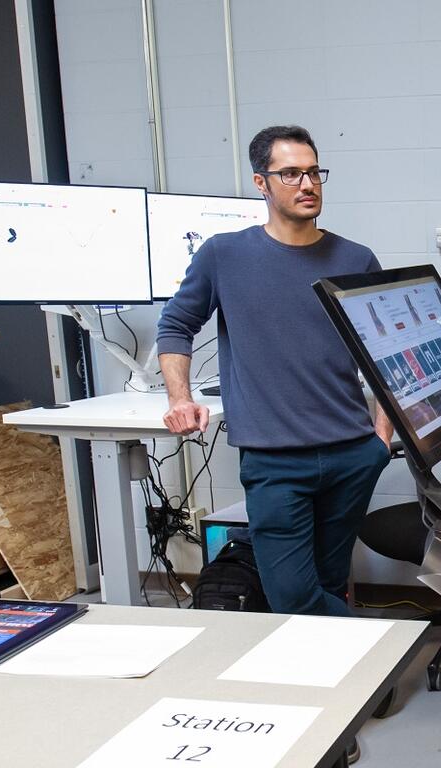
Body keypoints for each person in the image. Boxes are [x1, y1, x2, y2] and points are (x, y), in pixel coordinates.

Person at [158, 124, 393, 617]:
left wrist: (381, 436)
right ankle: (381, 656)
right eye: (290, 174)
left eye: (313, 172)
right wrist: (179, 398)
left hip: (353, 454)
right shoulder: (225, 255)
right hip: (276, 462)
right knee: (291, 594)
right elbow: (176, 326)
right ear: (261, 183)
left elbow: (384, 352)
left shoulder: (355, 258)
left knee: (330, 580)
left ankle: (337, 686)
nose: (307, 185)